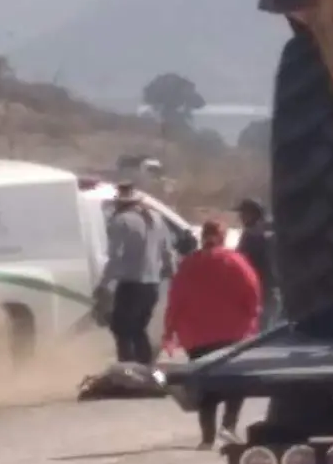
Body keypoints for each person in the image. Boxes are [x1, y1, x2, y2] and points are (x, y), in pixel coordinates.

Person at [163, 218, 262, 449]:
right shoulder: (235, 261)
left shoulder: (189, 264)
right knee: (235, 383)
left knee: (205, 385)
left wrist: (170, 331)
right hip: (233, 334)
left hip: (197, 336)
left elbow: (175, 300)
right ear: (224, 236)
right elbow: (252, 292)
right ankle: (228, 427)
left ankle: (207, 438)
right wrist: (252, 318)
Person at [97, 182, 171, 365]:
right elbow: (168, 252)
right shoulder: (156, 218)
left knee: (121, 329)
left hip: (131, 284)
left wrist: (104, 284)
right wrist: (170, 273)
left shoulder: (121, 221)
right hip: (152, 285)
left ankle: (128, 368)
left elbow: (115, 257)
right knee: (138, 328)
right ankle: (145, 367)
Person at [235, 197, 279, 327]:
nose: (240, 217)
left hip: (264, 291)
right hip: (264, 290)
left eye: (244, 213)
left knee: (262, 332)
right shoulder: (258, 232)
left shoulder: (256, 235)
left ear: (253, 214)